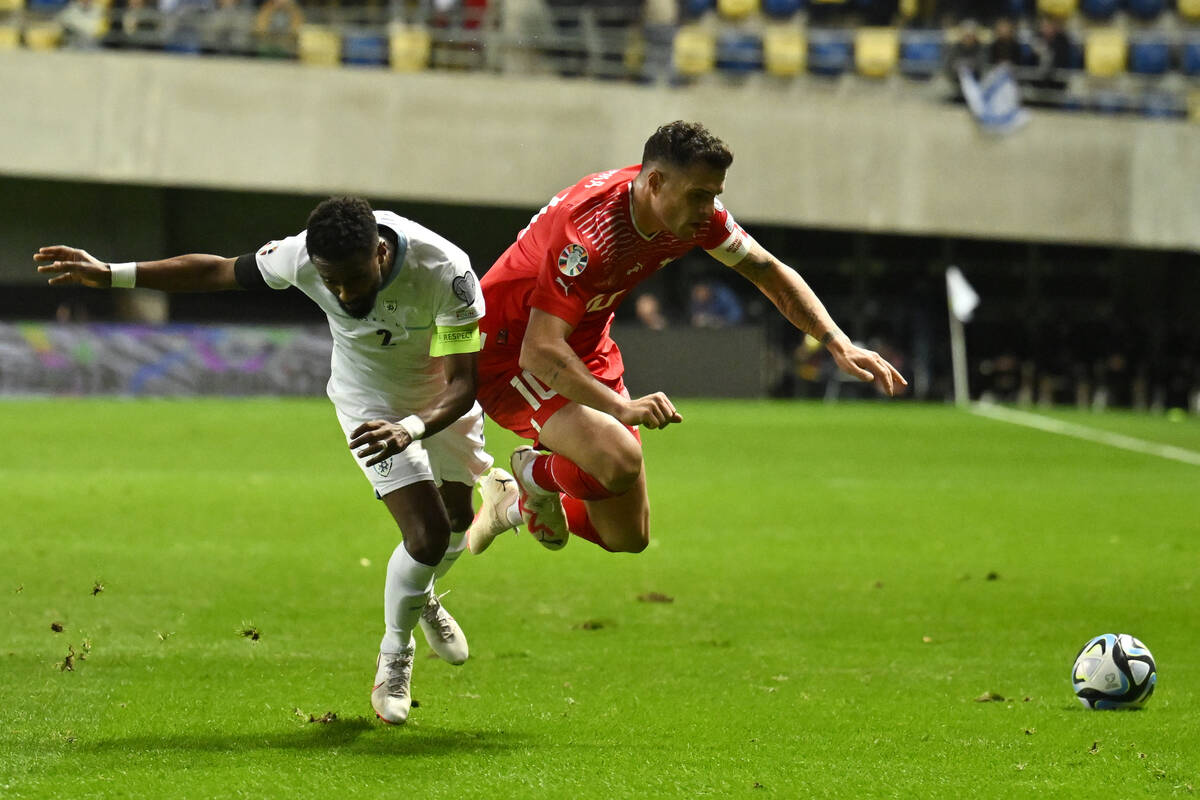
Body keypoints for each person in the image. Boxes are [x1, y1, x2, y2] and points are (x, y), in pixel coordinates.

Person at [34, 197, 488, 726]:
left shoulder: (447, 272)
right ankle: (394, 655)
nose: (343, 294)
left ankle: (421, 594)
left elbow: (462, 385)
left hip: (436, 403)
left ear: (381, 254)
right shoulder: (299, 256)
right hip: (369, 405)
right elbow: (218, 271)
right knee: (427, 536)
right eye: (331, 282)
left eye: (353, 280)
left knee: (459, 520)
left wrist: (411, 429)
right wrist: (113, 274)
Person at [466, 121, 906, 558]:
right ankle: (534, 477)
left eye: (714, 195)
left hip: (582, 343)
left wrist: (836, 341)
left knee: (626, 537)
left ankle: (519, 497)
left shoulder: (695, 218)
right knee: (617, 459)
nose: (708, 208)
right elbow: (540, 350)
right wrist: (620, 407)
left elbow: (766, 270)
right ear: (655, 183)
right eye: (699, 195)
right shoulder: (588, 232)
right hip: (511, 352)